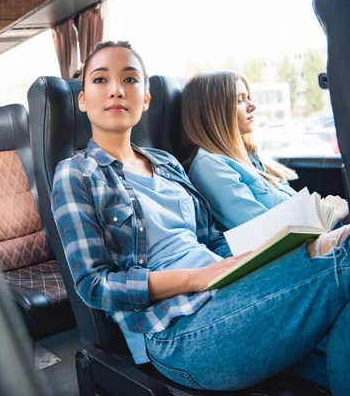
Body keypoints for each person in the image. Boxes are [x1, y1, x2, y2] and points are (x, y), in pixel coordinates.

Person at [50, 40, 350, 394]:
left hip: (232, 293)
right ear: (82, 99)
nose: (116, 90)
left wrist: (290, 248)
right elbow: (94, 285)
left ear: (145, 99)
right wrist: (195, 279)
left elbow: (212, 243)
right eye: (101, 80)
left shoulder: (168, 163)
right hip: (177, 333)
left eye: (130, 80)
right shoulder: (76, 174)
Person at [182, 71, 348, 230]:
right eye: (240, 100)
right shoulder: (209, 166)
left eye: (248, 98)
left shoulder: (250, 157)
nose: (252, 106)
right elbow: (268, 234)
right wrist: (331, 214)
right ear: (214, 112)